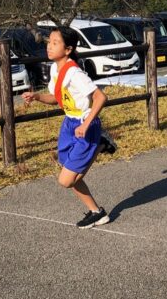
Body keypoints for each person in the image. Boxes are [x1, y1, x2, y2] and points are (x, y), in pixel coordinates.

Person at [22, 26, 115, 228]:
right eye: (49, 42)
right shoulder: (56, 69)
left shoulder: (75, 73)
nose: (49, 46)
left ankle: (100, 143)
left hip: (85, 125)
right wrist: (37, 97)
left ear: (68, 49)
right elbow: (57, 99)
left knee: (65, 180)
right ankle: (96, 212)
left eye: (55, 43)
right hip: (69, 123)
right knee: (68, 173)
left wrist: (87, 124)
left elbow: (101, 97)